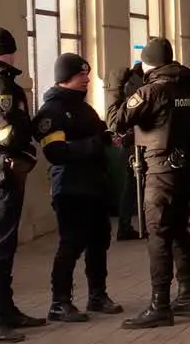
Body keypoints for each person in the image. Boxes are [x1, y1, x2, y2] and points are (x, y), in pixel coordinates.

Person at [108, 38, 190, 328]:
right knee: (178, 231)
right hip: (182, 169)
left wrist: (114, 87)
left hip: (159, 170)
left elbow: (116, 120)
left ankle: (159, 305)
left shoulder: (151, 91)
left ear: (148, 64)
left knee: (158, 235)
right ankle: (187, 297)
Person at [34, 53, 123, 323]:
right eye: (81, 74)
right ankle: (59, 302)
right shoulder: (52, 111)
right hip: (70, 187)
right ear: (66, 77)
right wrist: (95, 144)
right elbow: (56, 151)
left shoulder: (83, 108)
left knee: (99, 241)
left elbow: (99, 131)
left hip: (94, 185)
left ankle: (98, 295)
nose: (86, 78)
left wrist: (108, 137)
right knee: (70, 244)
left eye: (87, 73)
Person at [0, 27, 42, 343]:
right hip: (0, 165)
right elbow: (3, 130)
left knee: (3, 244)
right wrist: (24, 148)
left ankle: (5, 309)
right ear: (9, 52)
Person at [113, 62, 145, 240]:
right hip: (134, 143)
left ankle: (128, 226)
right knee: (133, 187)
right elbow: (135, 115)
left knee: (132, 187)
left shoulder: (131, 82)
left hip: (130, 142)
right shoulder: (137, 85)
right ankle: (127, 227)